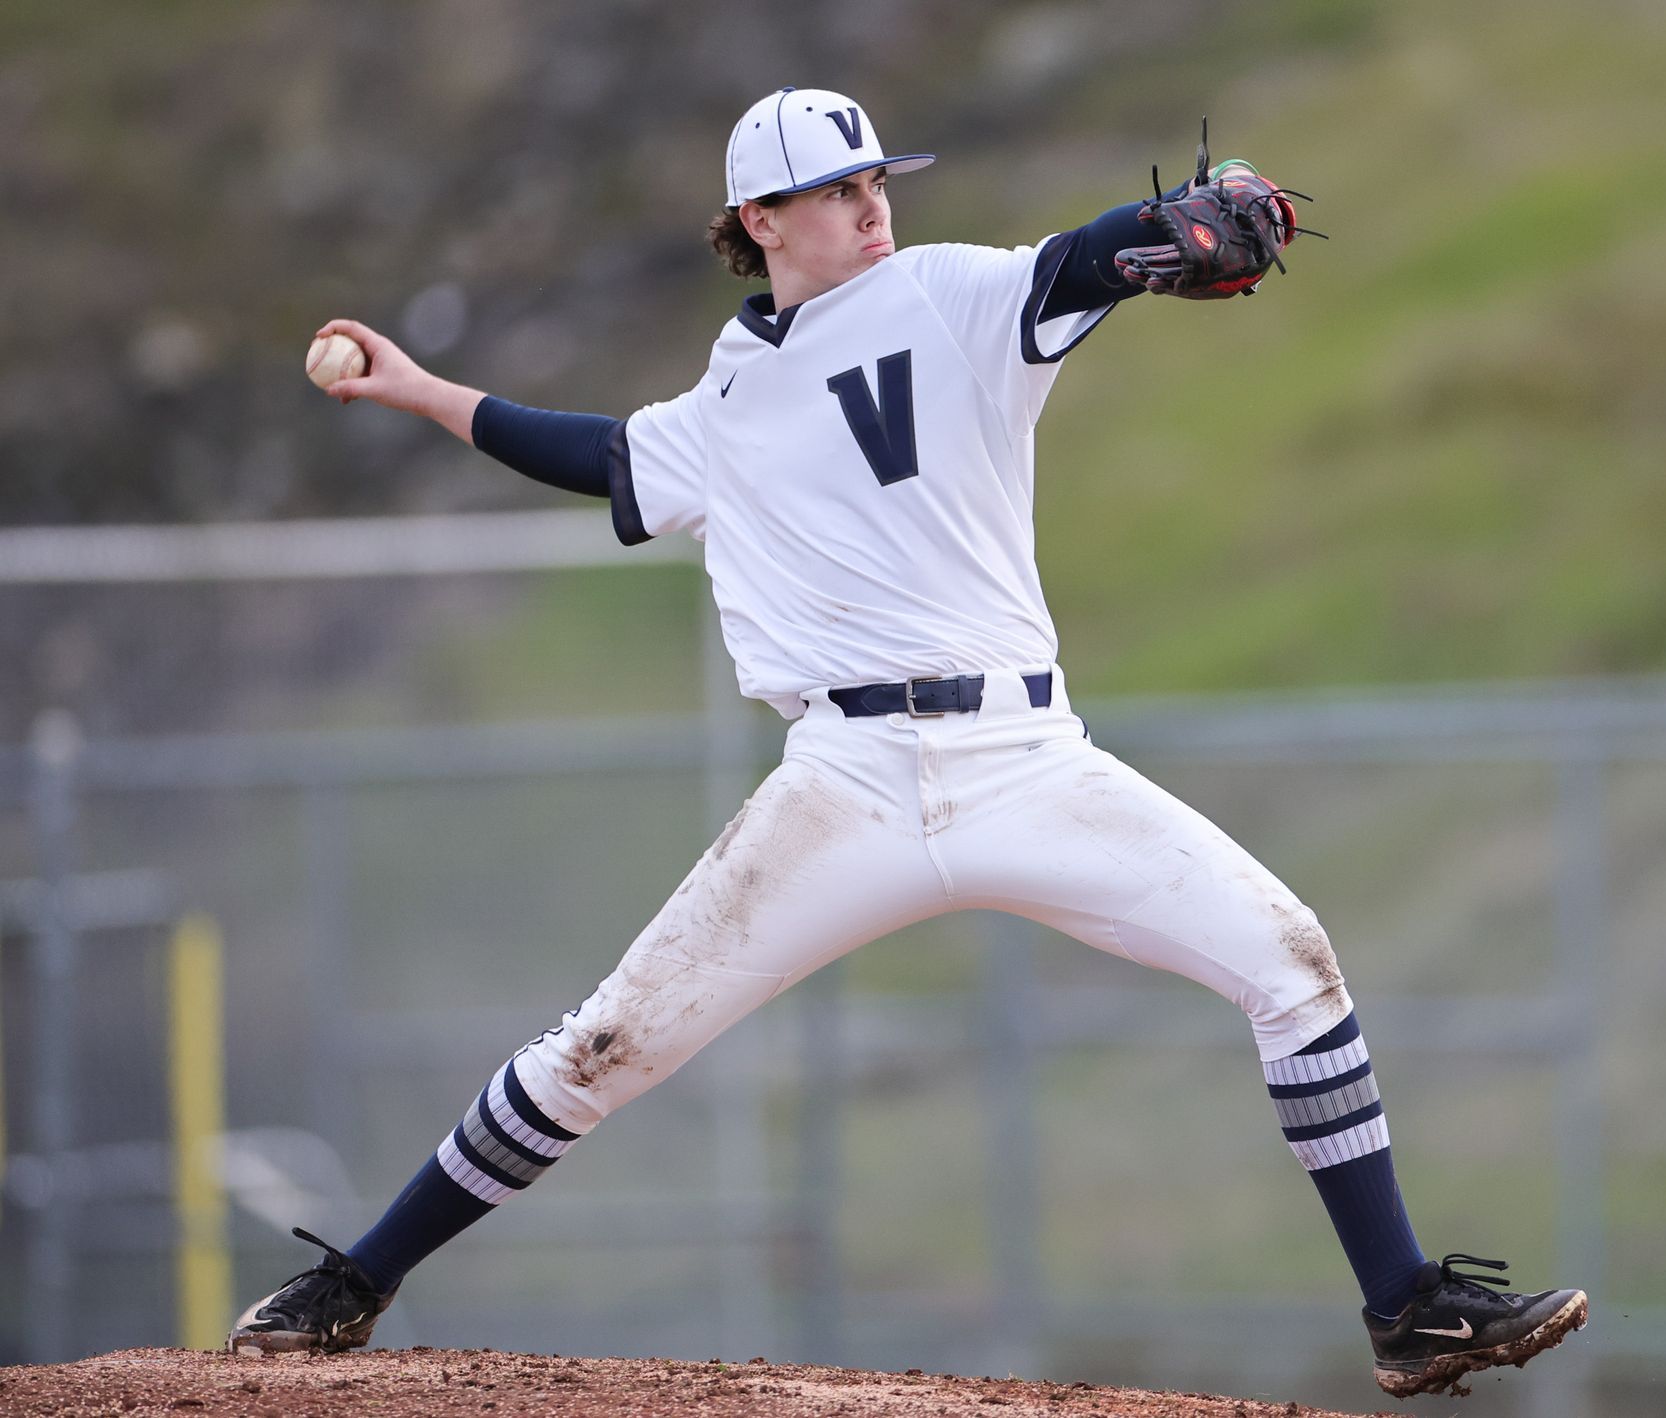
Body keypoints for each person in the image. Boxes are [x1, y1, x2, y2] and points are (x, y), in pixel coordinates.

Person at [228, 86, 1587, 1398]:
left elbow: (1080, 262)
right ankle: (356, 1277)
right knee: (608, 1046)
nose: (872, 207)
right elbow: (600, 456)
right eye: (840, 190)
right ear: (761, 217)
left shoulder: (950, 292)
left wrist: (1187, 220)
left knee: (1293, 959)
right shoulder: (726, 396)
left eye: (878, 181)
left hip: (1029, 759)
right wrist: (420, 390)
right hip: (848, 785)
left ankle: (1406, 1306)